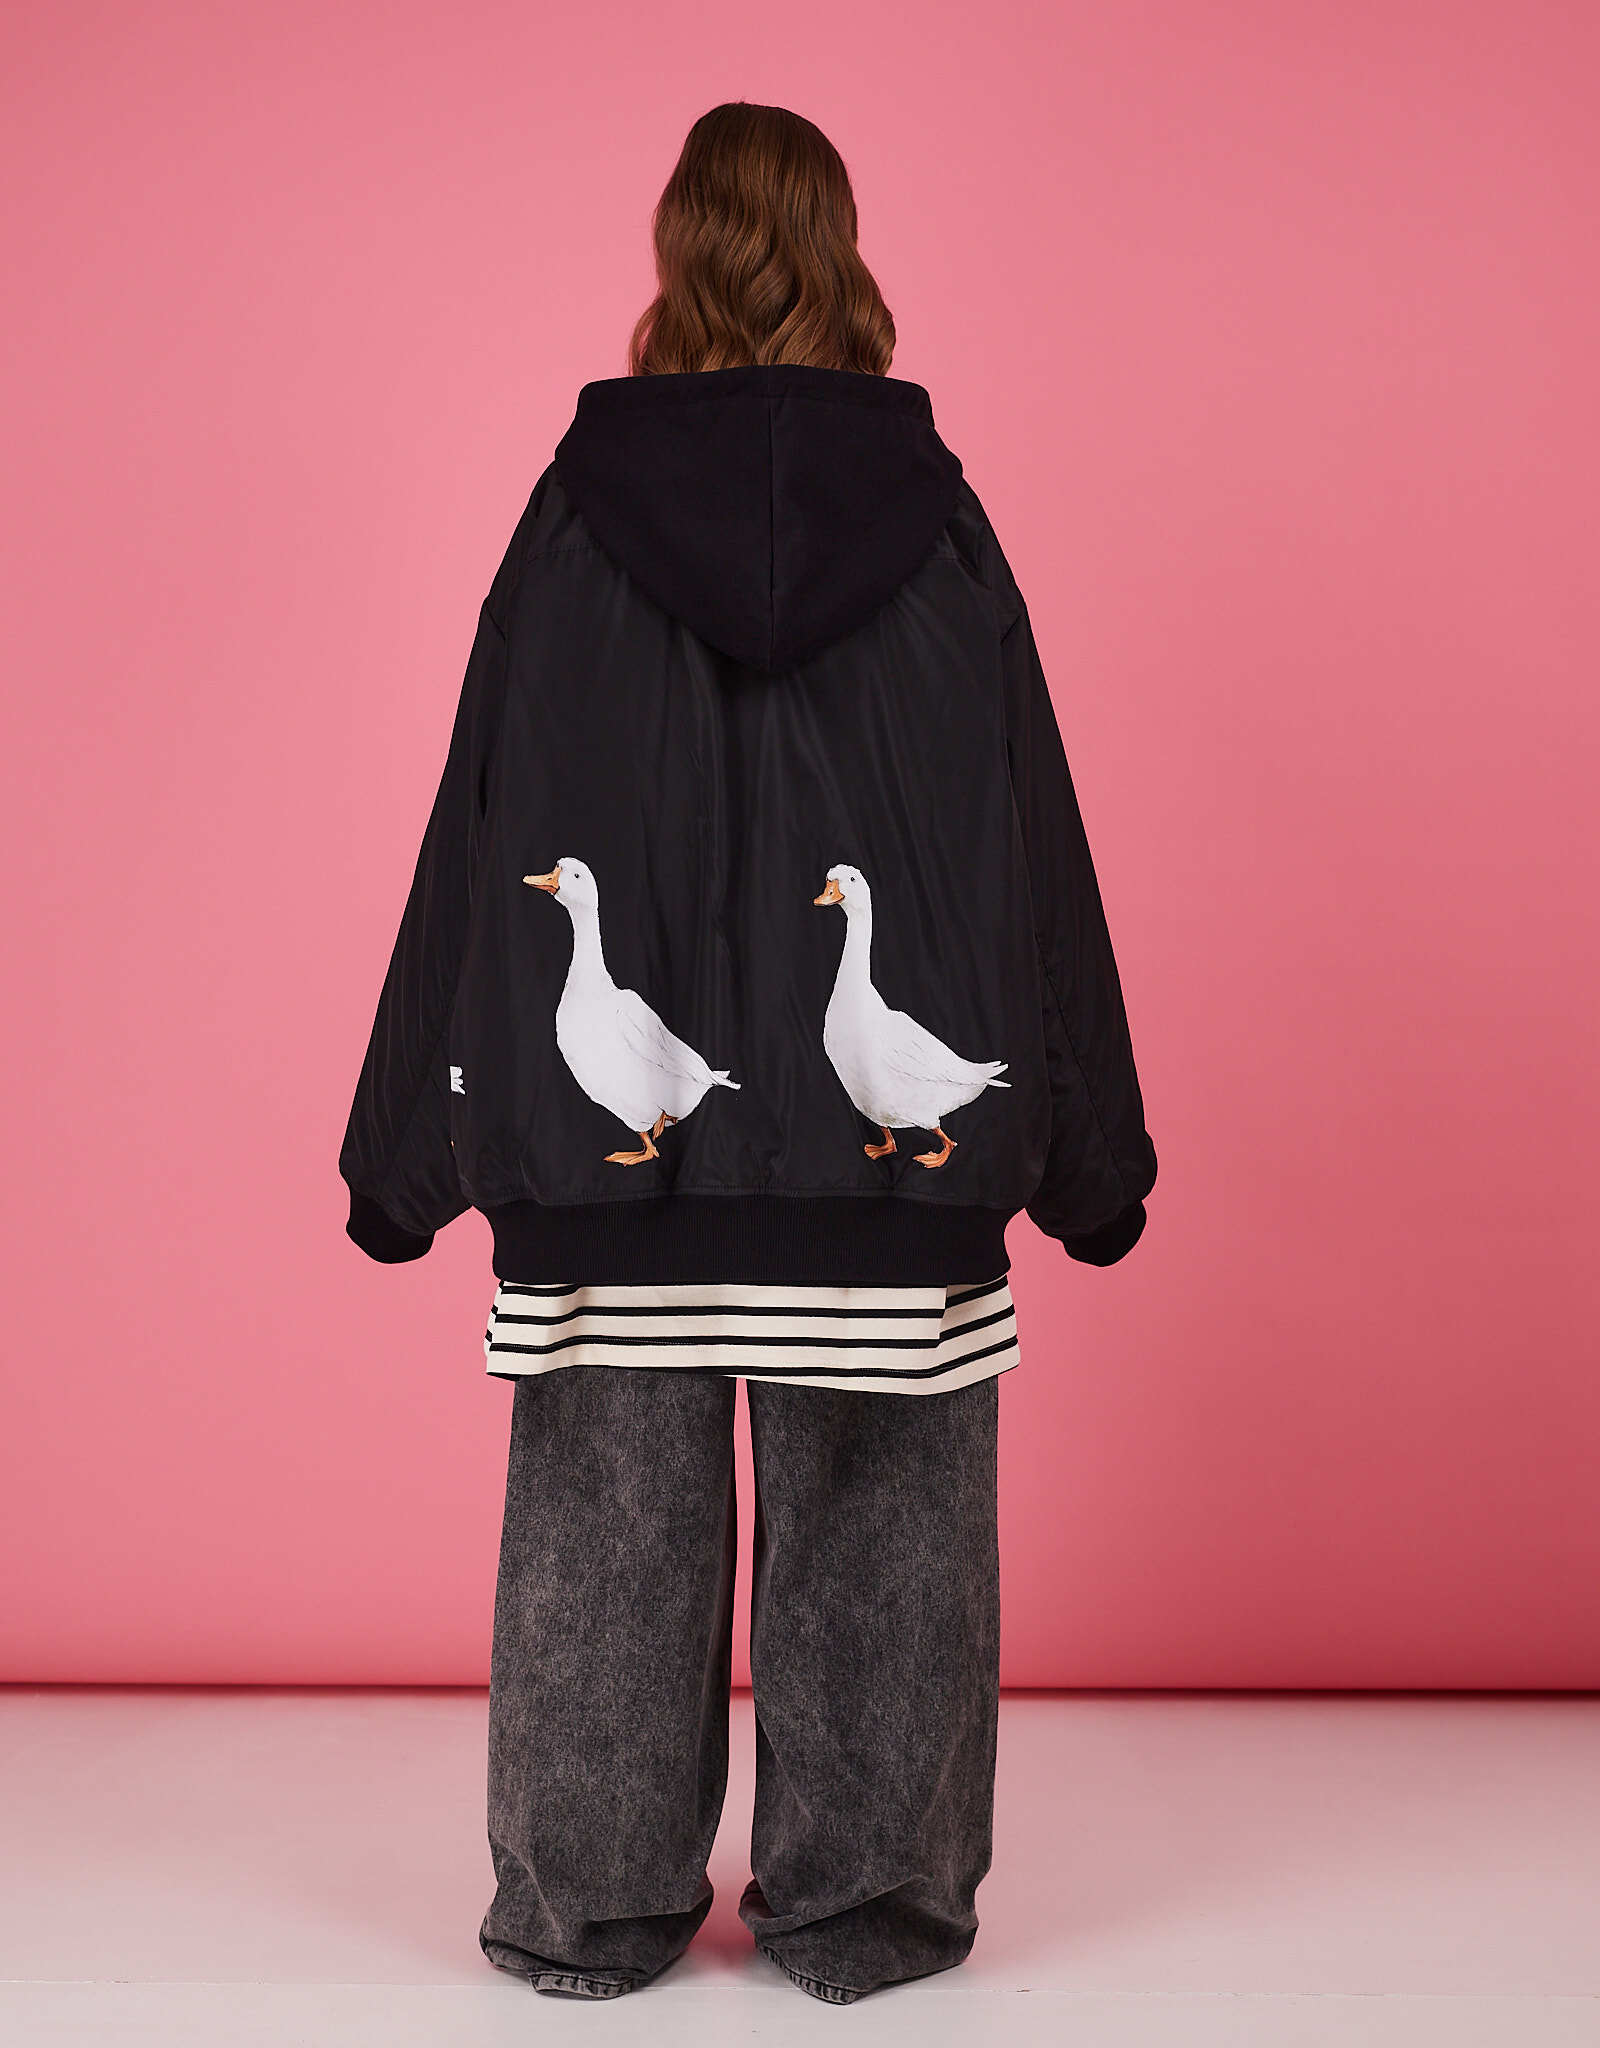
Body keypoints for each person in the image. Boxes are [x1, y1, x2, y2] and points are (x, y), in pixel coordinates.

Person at [339, 100, 1156, 2006]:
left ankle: (587, 1909)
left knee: (602, 1544)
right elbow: (1028, 842)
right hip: (887, 1191)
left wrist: (402, 1153)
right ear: (842, 251)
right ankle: (868, 1912)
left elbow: (478, 824)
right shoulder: (942, 529)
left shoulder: (569, 527)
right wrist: (1092, 1159)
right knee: (888, 1542)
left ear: (678, 254)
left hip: (613, 1188)